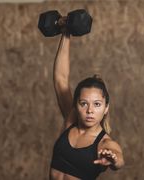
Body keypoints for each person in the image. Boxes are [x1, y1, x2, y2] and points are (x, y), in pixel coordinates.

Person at [49, 32, 125, 180]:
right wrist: (66, 32)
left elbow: (119, 159)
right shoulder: (70, 121)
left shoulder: (104, 143)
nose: (90, 110)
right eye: (84, 103)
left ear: (106, 108)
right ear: (76, 106)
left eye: (97, 104)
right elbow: (60, 79)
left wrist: (114, 160)